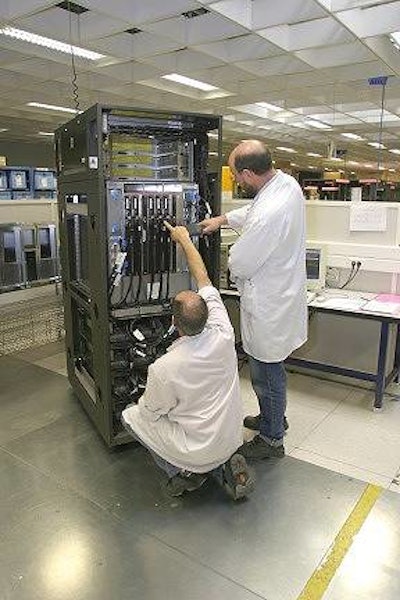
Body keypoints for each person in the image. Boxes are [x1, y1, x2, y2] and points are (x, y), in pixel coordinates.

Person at [122, 221, 254, 500]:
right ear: (208, 313)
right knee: (186, 412)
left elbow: (150, 413)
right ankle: (224, 467)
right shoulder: (224, 332)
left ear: (174, 323)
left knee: (132, 416)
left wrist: (144, 400)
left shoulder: (164, 368)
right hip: (231, 438)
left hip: (195, 448)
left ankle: (183, 472)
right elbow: (203, 277)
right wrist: (184, 238)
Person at [200, 140, 307, 459]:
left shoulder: (271, 210)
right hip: (280, 296)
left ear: (248, 172)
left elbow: (241, 262)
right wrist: (222, 220)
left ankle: (273, 438)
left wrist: (230, 257)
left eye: (237, 176)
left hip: (269, 304)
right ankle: (274, 418)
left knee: (266, 370)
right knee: (270, 367)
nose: (239, 181)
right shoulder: (285, 184)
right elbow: (255, 211)